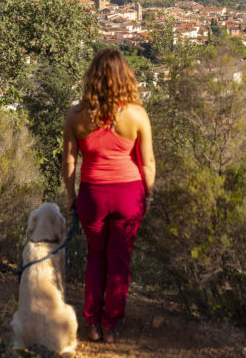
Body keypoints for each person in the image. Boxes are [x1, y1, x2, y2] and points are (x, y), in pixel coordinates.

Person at [62, 48, 155, 343]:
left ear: (91, 77)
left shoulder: (75, 115)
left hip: (92, 195)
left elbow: (68, 163)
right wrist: (148, 196)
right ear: (125, 77)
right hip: (129, 195)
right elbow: (148, 163)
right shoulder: (137, 114)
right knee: (119, 260)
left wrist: (71, 196)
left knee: (96, 257)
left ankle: (93, 323)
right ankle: (111, 325)